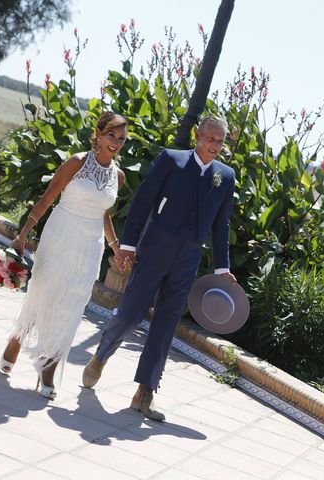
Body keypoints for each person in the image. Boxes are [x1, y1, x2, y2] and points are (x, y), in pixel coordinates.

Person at [81, 116, 237, 421]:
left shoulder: (225, 176)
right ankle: (101, 355)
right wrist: (128, 245)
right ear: (197, 135)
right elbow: (142, 202)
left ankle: (145, 392)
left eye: (220, 141)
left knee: (166, 325)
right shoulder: (171, 160)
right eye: (211, 139)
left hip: (187, 260)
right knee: (131, 312)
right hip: (154, 250)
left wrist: (222, 269)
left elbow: (222, 225)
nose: (215, 146)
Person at [0, 111, 128, 400]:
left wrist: (116, 247)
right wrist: (22, 236)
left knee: (71, 306)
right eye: (112, 136)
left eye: (121, 138)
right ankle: (18, 338)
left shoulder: (117, 176)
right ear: (98, 134)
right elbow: (48, 198)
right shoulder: (76, 163)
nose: (117, 143)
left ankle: (49, 365)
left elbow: (103, 213)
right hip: (60, 235)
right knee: (43, 294)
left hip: (89, 246)